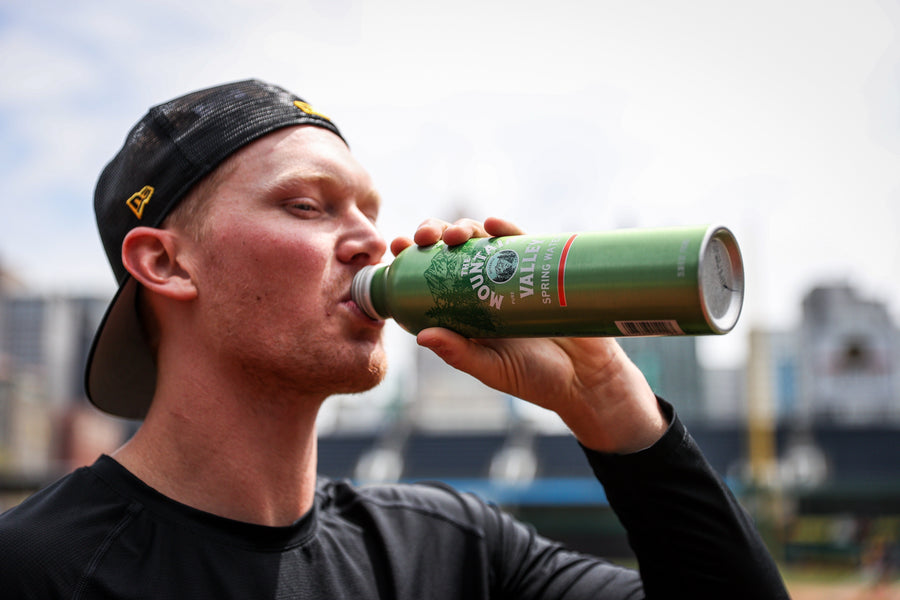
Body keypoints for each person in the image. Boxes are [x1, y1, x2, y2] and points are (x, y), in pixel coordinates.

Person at [0, 79, 789, 599]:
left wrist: (608, 401)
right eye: (308, 206)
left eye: (368, 212)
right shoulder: (39, 570)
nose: (372, 242)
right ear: (166, 263)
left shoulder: (451, 550)